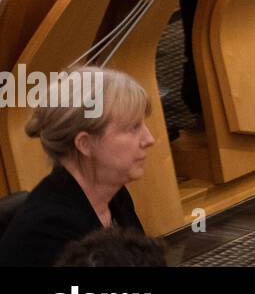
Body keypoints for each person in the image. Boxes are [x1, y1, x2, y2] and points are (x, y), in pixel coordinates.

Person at [0, 67, 154, 267]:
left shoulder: (114, 195)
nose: (149, 139)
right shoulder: (50, 230)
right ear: (85, 143)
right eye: (133, 128)